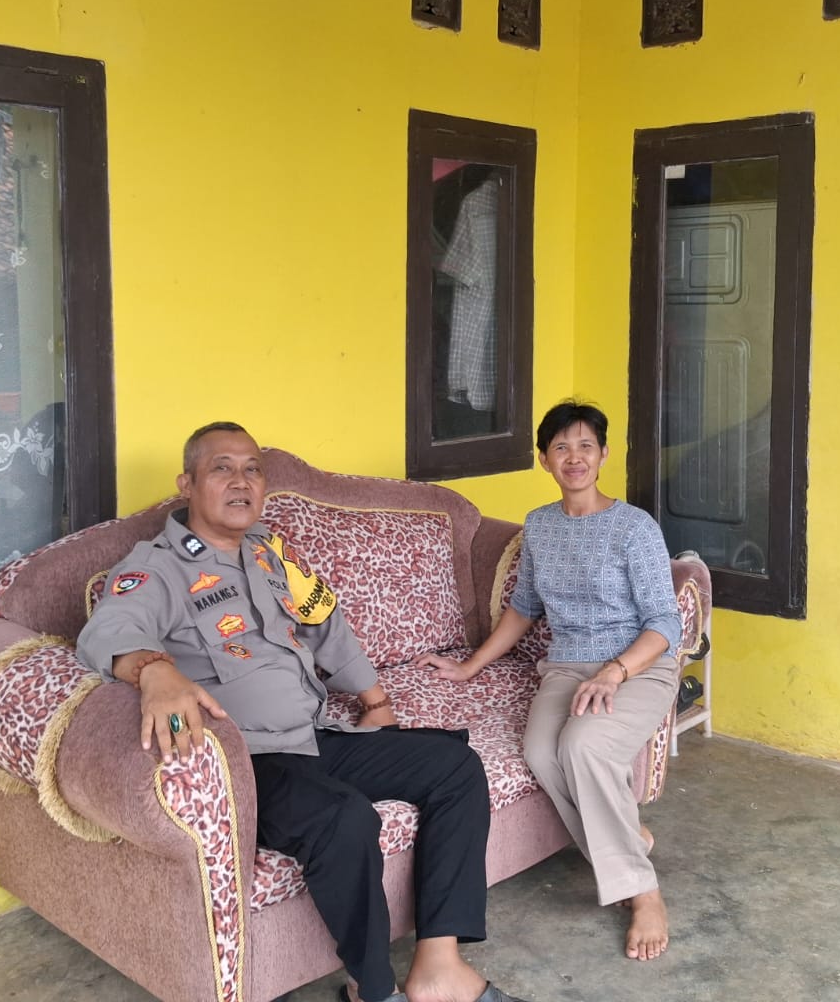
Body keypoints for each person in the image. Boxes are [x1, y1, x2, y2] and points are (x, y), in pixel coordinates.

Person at [76, 422, 528, 1002]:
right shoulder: (158, 567)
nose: (241, 481)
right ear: (186, 484)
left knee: (455, 767)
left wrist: (376, 700)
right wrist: (153, 671)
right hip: (254, 761)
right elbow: (108, 630)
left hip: (316, 736)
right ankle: (372, 988)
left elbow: (323, 621)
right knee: (345, 818)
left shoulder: (269, 551)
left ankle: (439, 967)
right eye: (221, 468)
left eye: (252, 469)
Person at [415, 400, 683, 962]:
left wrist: (615, 671)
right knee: (541, 751)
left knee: (582, 745)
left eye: (585, 446)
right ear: (544, 459)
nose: (574, 457)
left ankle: (644, 893)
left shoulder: (634, 527)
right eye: (561, 447)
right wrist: (470, 665)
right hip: (566, 667)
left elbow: (664, 623)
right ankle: (629, 840)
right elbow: (524, 607)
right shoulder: (539, 525)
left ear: (603, 455)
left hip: (637, 667)